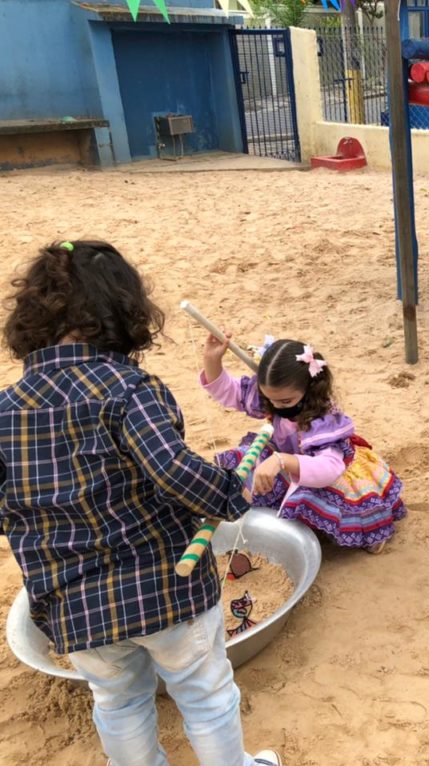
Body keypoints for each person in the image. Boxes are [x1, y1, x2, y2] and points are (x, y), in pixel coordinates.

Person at [0, 240, 282, 766]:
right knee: (206, 693)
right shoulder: (128, 388)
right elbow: (173, 470)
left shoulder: (6, 408)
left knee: (119, 701)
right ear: (121, 313)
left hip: (73, 602)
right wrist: (227, 493)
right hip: (165, 587)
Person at [201, 335, 405, 553]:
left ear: (309, 389)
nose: (276, 406)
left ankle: (367, 531)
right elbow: (232, 392)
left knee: (321, 501)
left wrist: (281, 461)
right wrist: (212, 361)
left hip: (329, 472)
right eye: (270, 400)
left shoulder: (323, 417)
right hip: (290, 460)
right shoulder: (275, 396)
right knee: (244, 460)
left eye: (286, 401)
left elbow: (329, 468)